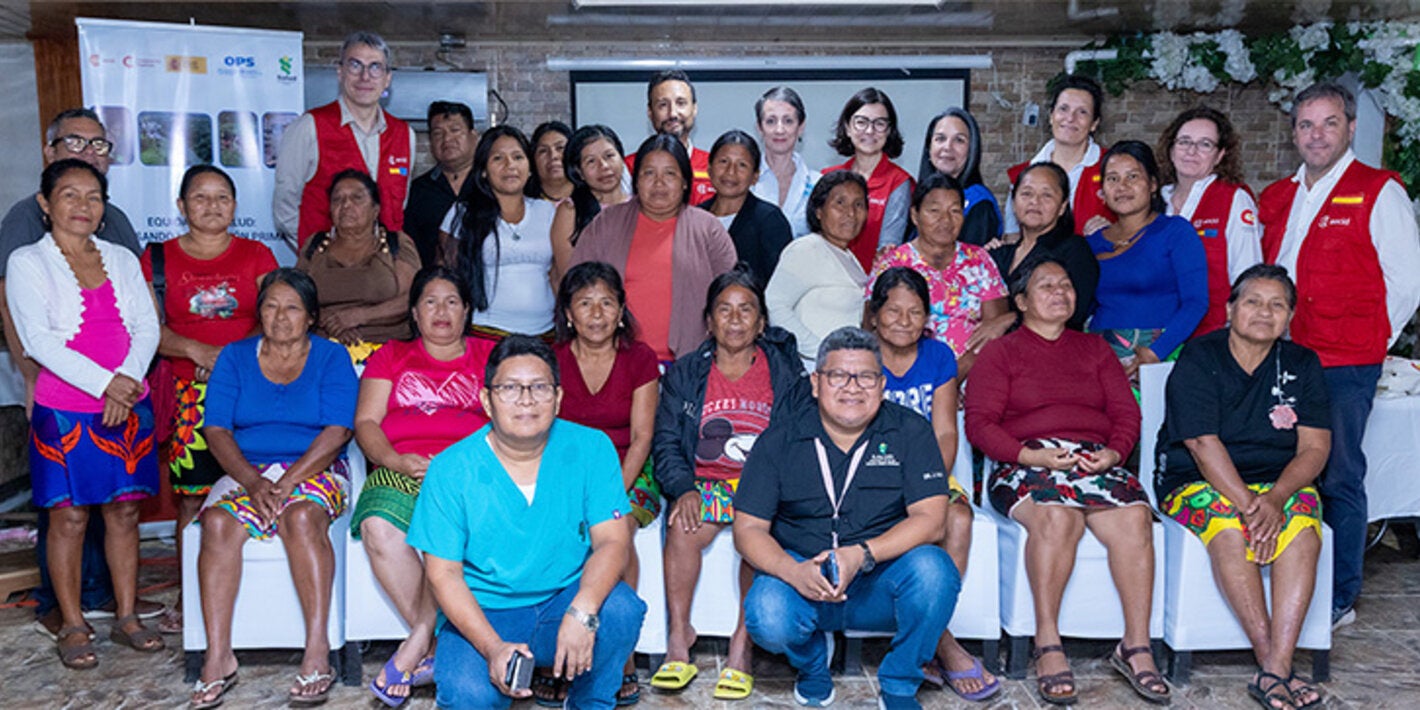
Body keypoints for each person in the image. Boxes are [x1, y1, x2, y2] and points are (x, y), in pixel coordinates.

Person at [965, 258, 1167, 706]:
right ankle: (1048, 643)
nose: (1059, 291)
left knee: (1135, 518)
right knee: (1058, 519)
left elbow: (1125, 414)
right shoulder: (1001, 352)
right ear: (1019, 302)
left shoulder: (1094, 349)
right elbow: (979, 424)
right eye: (1045, 285)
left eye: (1066, 284)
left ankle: (1134, 645)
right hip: (1025, 460)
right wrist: (1031, 455)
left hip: (1093, 460)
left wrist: (1114, 452)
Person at [407, 335, 647, 709]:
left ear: (559, 398)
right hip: (485, 613)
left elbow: (613, 542)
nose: (526, 399)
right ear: (487, 400)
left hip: (563, 600)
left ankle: (591, 702)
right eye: (509, 388)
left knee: (620, 611)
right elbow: (443, 576)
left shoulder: (591, 447)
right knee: (467, 695)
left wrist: (583, 609)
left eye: (539, 387)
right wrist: (492, 648)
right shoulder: (451, 469)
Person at [1257, 82, 1420, 628]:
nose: (1317, 134)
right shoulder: (1280, 195)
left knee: (1340, 473)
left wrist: (1371, 338)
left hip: (1345, 361)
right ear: (1294, 133)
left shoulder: (1378, 190)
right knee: (1282, 468)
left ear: (1350, 127)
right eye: (1306, 124)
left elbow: (1408, 281)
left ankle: (1339, 596)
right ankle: (1284, 581)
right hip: (1283, 356)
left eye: (1328, 123)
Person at [0, 107, 162, 638]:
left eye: (93, 197)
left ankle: (126, 615)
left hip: (128, 404)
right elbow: (39, 340)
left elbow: (146, 327)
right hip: (65, 407)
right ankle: (70, 624)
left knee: (123, 515)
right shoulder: (27, 260)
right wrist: (106, 383)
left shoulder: (119, 256)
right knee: (69, 518)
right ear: (46, 204)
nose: (83, 206)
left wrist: (126, 382)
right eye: (70, 195)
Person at [736, 326, 960, 710]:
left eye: (866, 376)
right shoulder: (779, 439)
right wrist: (793, 572)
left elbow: (932, 519)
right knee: (766, 613)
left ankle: (900, 682)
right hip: (803, 578)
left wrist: (862, 554)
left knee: (935, 571)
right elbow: (748, 529)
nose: (852, 387)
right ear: (816, 383)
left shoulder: (911, 431)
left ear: (882, 384)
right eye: (838, 375)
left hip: (878, 580)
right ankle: (812, 666)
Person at [1157, 264, 1330, 710]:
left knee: (1304, 534)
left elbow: (1314, 448)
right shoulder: (1200, 356)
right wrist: (1252, 505)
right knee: (1230, 530)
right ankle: (1273, 663)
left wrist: (1274, 499)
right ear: (1231, 308)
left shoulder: (1301, 364)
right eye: (1252, 301)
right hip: (1195, 476)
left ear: (1290, 317)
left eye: (1277, 305)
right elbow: (1199, 442)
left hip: (1279, 480)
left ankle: (1275, 669)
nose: (1263, 312)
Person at [190, 268, 358, 707]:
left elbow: (338, 431)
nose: (280, 317)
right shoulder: (234, 357)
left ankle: (317, 650)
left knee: (302, 517)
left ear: (311, 317)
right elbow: (217, 430)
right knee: (218, 524)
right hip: (249, 468)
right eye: (270, 306)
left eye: (291, 308)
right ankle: (218, 656)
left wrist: (286, 483)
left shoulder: (330, 357)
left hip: (315, 468)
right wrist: (252, 480)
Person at [650, 266, 811, 701]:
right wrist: (682, 486)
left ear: (762, 323)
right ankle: (678, 639)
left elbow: (797, 438)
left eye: (746, 311)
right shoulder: (686, 373)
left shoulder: (784, 372)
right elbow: (665, 440)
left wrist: (772, 489)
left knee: (754, 534)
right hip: (703, 483)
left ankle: (742, 647)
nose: (735, 320)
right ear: (709, 320)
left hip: (762, 484)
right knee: (682, 528)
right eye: (725, 310)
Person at [351, 266, 497, 706]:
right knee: (378, 524)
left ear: (467, 311)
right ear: (414, 312)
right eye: (430, 302)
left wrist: (459, 464)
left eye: (452, 301)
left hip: (470, 469)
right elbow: (366, 422)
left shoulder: (490, 355)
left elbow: (512, 423)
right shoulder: (391, 356)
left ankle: (417, 642)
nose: (441, 311)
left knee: (448, 532)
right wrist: (394, 459)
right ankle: (436, 646)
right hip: (402, 465)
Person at [140, 165, 278, 633]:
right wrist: (196, 351)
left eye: (223, 197)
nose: (212, 206)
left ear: (236, 207)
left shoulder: (256, 254)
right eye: (201, 197)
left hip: (250, 389)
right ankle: (190, 596)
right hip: (189, 396)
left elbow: (277, 317)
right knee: (192, 501)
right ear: (181, 206)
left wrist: (230, 359)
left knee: (255, 487)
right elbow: (148, 329)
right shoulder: (158, 257)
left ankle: (259, 593)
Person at [866, 268, 999, 701]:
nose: (904, 320)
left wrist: (924, 485)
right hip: (866, 476)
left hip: (925, 472)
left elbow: (945, 432)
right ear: (874, 314)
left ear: (927, 318)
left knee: (957, 517)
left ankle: (927, 638)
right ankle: (941, 643)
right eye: (894, 310)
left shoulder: (939, 356)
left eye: (915, 312)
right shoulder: (859, 353)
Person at [551, 262, 660, 706]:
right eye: (585, 303)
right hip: (565, 472)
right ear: (569, 313)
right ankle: (555, 656)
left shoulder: (640, 359)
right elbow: (544, 435)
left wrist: (608, 494)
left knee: (619, 529)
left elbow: (642, 437)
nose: (596, 313)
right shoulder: (553, 361)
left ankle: (620, 654)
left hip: (628, 471)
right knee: (557, 534)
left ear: (620, 312)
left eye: (606, 303)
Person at [572, 134, 737, 363]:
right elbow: (577, 287)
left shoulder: (709, 229)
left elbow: (731, 297)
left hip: (691, 366)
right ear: (636, 180)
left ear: (685, 181)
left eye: (669, 173)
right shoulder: (606, 223)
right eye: (649, 173)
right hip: (617, 363)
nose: (659, 183)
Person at [273, 31, 414, 247]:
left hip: (384, 269)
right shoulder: (309, 127)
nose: (365, 77)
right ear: (340, 72)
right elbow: (285, 207)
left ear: (387, 79)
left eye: (375, 67)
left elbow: (399, 207)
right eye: (355, 65)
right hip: (326, 270)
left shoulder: (404, 135)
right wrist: (313, 252)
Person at [1086, 140, 1208, 378]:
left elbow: (1196, 302)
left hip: (1157, 356)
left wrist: (1154, 352)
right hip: (1098, 358)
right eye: (1112, 179)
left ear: (1152, 184)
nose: (1122, 186)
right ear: (1102, 191)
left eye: (1132, 177)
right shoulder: (1091, 243)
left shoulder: (1175, 232)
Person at [868, 173, 1008, 378]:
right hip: (908, 378)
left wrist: (954, 376)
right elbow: (871, 329)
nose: (946, 220)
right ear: (915, 215)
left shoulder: (978, 260)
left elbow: (994, 330)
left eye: (955, 211)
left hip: (973, 375)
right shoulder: (892, 263)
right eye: (934, 211)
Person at [440, 126, 558, 340]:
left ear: (530, 167)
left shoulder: (548, 212)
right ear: (483, 170)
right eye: (498, 158)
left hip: (545, 335)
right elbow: (448, 275)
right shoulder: (463, 214)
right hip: (483, 333)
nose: (510, 165)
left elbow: (559, 274)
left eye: (517, 157)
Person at [1158, 106, 1262, 337]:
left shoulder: (1234, 199)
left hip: (1212, 336)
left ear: (1220, 155)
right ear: (1171, 148)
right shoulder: (1155, 200)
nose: (1191, 151)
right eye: (1184, 141)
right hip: (1156, 335)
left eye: (1205, 144)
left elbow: (1248, 278)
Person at [296, 169, 421, 361]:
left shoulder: (396, 243)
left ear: (375, 209)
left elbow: (412, 299)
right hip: (322, 351)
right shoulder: (315, 246)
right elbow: (296, 298)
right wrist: (333, 323)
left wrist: (358, 316)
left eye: (357, 198)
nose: (346, 205)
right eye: (337, 199)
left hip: (387, 352)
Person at [766, 170, 869, 367]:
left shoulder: (850, 258)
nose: (851, 213)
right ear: (819, 211)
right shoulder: (806, 249)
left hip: (845, 372)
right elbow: (775, 304)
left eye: (859, 204)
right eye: (840, 203)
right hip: (812, 371)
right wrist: (820, 351)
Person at [989, 162, 1099, 331]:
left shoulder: (1074, 249)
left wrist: (1008, 319)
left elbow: (1072, 312)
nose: (1034, 201)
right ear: (1013, 202)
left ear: (1062, 206)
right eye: (1026, 193)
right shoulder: (1000, 254)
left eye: (1046, 195)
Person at [1003, 74, 1114, 236]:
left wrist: (1115, 231)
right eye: (1063, 109)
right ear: (1051, 116)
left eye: (1082, 112)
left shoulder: (1112, 168)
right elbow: (1012, 237)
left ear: (1094, 123)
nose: (1070, 118)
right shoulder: (1022, 175)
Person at [822, 87, 914, 271]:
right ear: (847, 127)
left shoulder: (899, 183)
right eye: (861, 122)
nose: (870, 130)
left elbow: (888, 251)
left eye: (879, 123)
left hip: (874, 287)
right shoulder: (827, 177)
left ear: (889, 131)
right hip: (828, 281)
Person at [697, 130, 793, 284]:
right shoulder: (695, 217)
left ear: (755, 176)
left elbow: (782, 283)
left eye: (742, 165)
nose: (730, 172)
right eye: (723, 162)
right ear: (709, 168)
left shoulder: (769, 220)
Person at [404, 101, 478, 268]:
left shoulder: (491, 185)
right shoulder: (417, 191)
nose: (447, 139)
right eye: (438, 134)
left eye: (455, 130)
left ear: (473, 137)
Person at [624, 70, 714, 203]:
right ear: (650, 112)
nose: (672, 113)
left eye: (681, 103)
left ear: (694, 108)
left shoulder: (715, 167)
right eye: (663, 105)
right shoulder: (628, 168)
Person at [551, 125, 631, 273]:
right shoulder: (571, 211)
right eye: (591, 161)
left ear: (621, 158)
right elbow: (569, 275)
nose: (604, 166)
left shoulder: (639, 206)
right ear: (579, 172)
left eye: (609, 156)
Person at [917, 108, 1002, 247]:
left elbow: (969, 264)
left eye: (959, 140)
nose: (947, 147)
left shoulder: (979, 204)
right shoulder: (918, 197)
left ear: (971, 150)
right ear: (929, 147)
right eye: (940, 139)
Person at [751, 86, 818, 239]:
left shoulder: (817, 184)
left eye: (788, 121)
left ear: (800, 127)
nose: (779, 130)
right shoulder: (745, 181)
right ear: (759, 128)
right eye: (771, 121)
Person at [532, 121, 574, 203]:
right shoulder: (520, 201)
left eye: (560, 148)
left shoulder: (594, 196)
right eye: (543, 151)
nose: (553, 156)